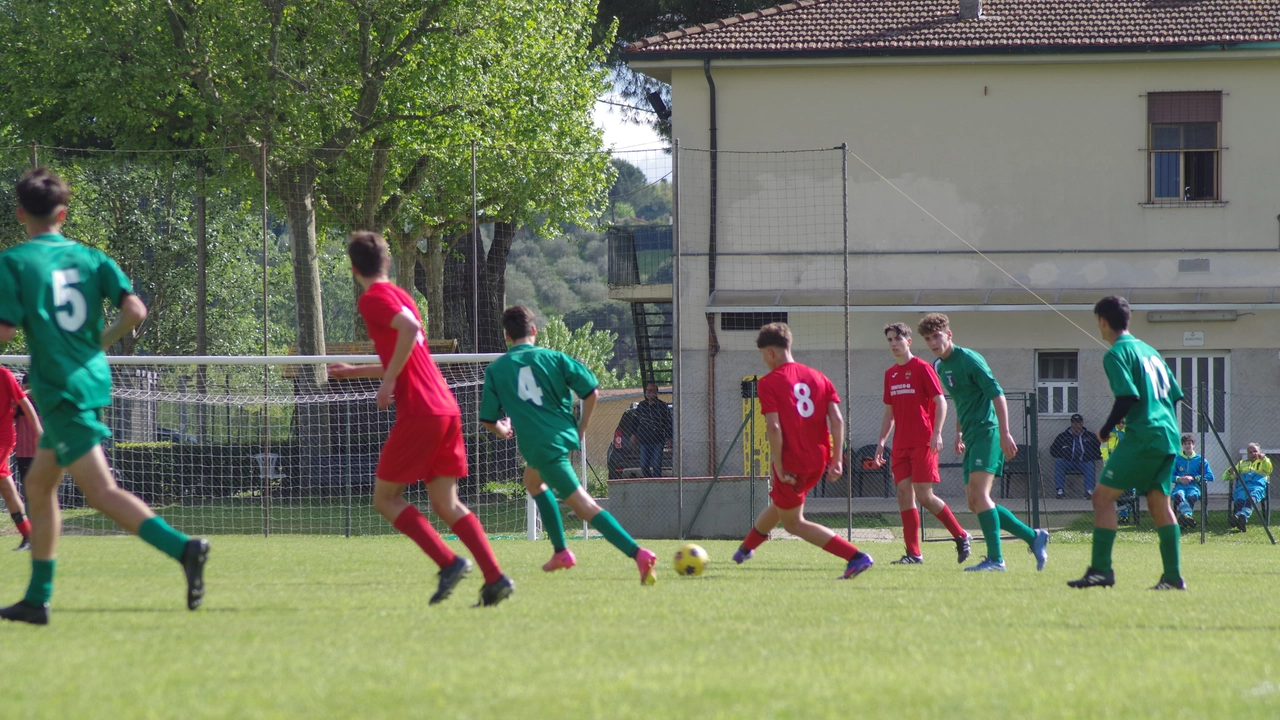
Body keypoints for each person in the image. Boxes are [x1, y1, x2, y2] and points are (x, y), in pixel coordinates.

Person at [0, 167, 209, 625]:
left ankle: (184, 548)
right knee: (38, 486)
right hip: (87, 380)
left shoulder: (14, 262)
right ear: (63, 212)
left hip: (60, 386)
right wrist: (96, 344)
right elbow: (135, 309)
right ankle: (37, 598)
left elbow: (4, 330)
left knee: (100, 492)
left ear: (20, 214)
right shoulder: (93, 258)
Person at [329, 231, 513, 606]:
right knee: (446, 503)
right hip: (445, 406)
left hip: (420, 410)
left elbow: (409, 335)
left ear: (353, 269)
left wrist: (389, 383)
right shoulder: (401, 296)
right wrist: (355, 372)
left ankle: (449, 562)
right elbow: (409, 349)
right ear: (389, 263)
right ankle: (495, 578)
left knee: (385, 498)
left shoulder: (373, 298)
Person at [479, 306, 657, 583]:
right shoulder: (555, 358)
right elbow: (590, 391)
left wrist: (502, 429)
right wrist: (581, 427)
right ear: (534, 331)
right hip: (559, 437)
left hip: (540, 445)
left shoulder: (497, 369)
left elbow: (488, 418)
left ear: (506, 336)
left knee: (584, 506)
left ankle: (638, 554)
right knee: (532, 481)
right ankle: (560, 551)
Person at [732, 323, 874, 579]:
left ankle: (855, 556)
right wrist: (837, 459)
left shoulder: (769, 383)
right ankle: (745, 548)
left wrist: (779, 464)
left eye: (763, 354)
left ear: (771, 353)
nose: (763, 360)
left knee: (793, 523)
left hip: (792, 460)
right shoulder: (819, 376)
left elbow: (774, 427)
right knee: (781, 504)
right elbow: (838, 421)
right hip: (818, 459)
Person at [1068, 296, 1186, 590]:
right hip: (1168, 436)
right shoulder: (1150, 351)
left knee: (1101, 497)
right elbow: (1175, 395)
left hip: (1143, 436)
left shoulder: (1116, 353)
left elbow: (1128, 396)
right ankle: (1173, 577)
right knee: (1160, 504)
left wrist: (1106, 428)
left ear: (1102, 321)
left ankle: (1100, 570)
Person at [919, 313, 1049, 572]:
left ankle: (996, 559)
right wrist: (957, 433)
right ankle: (1033, 537)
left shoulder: (969, 359)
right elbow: (962, 400)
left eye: (937, 336)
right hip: (970, 435)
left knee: (980, 496)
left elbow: (997, 395)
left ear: (949, 334)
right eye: (928, 338)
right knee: (974, 501)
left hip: (987, 433)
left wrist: (1005, 433)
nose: (933, 342)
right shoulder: (941, 367)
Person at [873, 322, 972, 565]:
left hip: (923, 443)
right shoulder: (890, 374)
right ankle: (914, 554)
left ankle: (961, 535)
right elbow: (889, 413)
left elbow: (941, 402)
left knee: (925, 496)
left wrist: (937, 433)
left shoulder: (923, 368)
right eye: (889, 340)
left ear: (909, 341)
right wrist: (881, 442)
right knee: (904, 495)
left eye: (898, 338)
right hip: (900, 446)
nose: (894, 343)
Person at [1, 367, 41, 550]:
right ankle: (29, 535)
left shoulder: (4, 375)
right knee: (7, 487)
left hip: (3, 438)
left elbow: (24, 402)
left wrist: (38, 430)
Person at [1049, 413, 1101, 499]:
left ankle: (1089, 491)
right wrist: (1064, 455)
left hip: (1083, 462)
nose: (1076, 426)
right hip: (1068, 462)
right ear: (1071, 424)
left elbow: (1100, 451)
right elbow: (1052, 450)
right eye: (1074, 423)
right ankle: (1060, 491)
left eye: (1079, 423)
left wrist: (1089, 456)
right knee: (1059, 462)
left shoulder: (1090, 436)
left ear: (1082, 424)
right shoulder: (1063, 436)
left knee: (1090, 464)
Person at [1226, 442, 1272, 532]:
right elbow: (1225, 477)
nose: (1253, 454)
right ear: (1247, 454)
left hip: (1256, 488)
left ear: (1259, 452)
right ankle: (1241, 518)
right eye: (1250, 452)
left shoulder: (1263, 463)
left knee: (1251, 497)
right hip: (1242, 488)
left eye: (1255, 451)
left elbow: (1269, 470)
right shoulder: (1241, 464)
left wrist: (1265, 459)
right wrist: (1230, 473)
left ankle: (1239, 516)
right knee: (1240, 498)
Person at [1170, 433, 1212, 530]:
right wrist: (1179, 479)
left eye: (1189, 443)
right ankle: (1187, 517)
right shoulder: (1176, 459)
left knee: (1192, 496)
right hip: (1180, 486)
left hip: (1194, 486)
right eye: (1185, 444)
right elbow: (1168, 476)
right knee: (1178, 495)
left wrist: (1194, 478)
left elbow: (1210, 476)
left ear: (1193, 445)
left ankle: (1184, 518)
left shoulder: (1200, 460)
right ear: (1182, 446)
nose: (1187, 446)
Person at [630, 382, 671, 478]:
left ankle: (656, 484)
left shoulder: (662, 406)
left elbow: (668, 423)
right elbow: (635, 421)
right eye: (647, 390)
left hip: (658, 441)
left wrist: (669, 438)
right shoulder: (642, 406)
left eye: (651, 390)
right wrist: (633, 434)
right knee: (644, 466)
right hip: (644, 442)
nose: (648, 392)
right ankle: (649, 482)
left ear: (656, 391)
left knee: (656, 466)